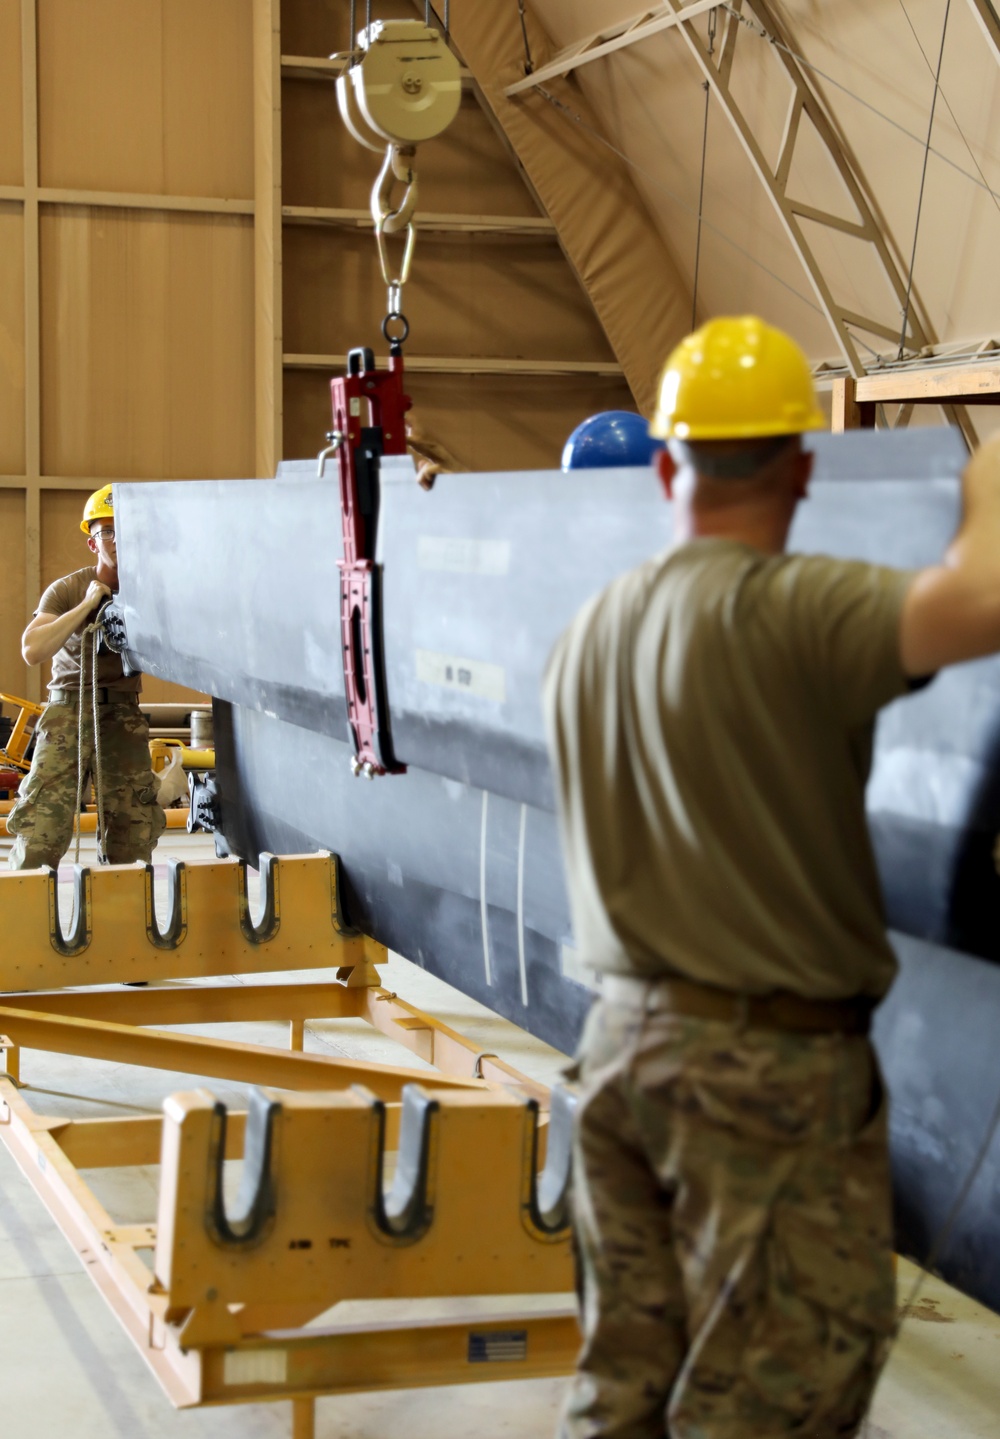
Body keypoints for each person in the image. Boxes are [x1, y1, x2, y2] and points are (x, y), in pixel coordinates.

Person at [543, 314, 1000, 1439]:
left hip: (615, 1056)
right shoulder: (796, 610)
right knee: (771, 1406)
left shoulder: (591, 629)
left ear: (665, 464)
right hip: (761, 1082)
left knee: (624, 1391)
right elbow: (981, 597)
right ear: (803, 466)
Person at [6, 485, 165, 870]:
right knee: (42, 827)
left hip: (123, 715)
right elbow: (32, 650)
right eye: (105, 532)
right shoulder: (68, 589)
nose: (116, 539)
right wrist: (88, 605)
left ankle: (121, 921)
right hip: (68, 713)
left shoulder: (154, 592)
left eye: (123, 529)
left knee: (132, 831)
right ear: (92, 543)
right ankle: (26, 922)